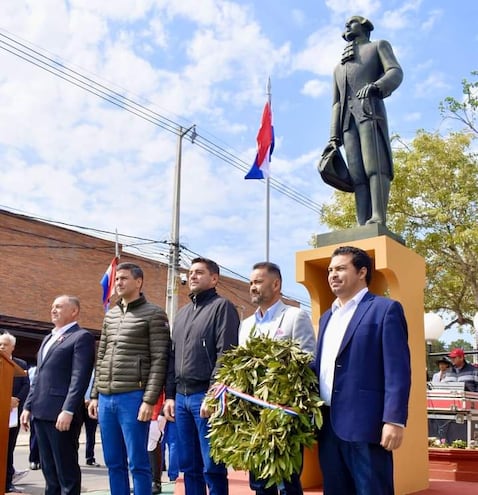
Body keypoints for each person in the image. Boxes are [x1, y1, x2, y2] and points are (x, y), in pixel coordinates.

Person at [313, 246, 411, 495]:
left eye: (341, 268)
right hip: (327, 424)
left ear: (362, 272)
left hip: (366, 425)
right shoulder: (327, 317)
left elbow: (398, 370)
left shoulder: (385, 309)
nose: (333, 275)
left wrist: (394, 420)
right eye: (330, 270)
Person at [88, 262, 171, 495]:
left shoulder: (154, 314)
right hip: (106, 398)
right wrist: (94, 394)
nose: (118, 283)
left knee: (138, 463)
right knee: (114, 462)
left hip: (133, 397)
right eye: (116, 279)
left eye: (124, 278)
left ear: (138, 282)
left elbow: (159, 359)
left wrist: (149, 400)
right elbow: (101, 356)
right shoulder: (111, 316)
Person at [163, 257, 240, 495]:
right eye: (191, 272)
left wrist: (213, 394)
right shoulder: (183, 313)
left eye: (199, 272)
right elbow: (172, 357)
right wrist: (170, 396)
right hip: (182, 400)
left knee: (212, 466)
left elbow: (225, 353)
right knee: (189, 466)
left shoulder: (222, 307)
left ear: (214, 278)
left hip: (204, 398)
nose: (192, 276)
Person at [239, 261, 316, 495]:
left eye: (258, 282)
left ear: (276, 284)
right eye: (251, 282)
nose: (253, 287)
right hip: (253, 416)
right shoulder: (246, 324)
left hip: (284, 413)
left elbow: (309, 359)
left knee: (287, 480)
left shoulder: (295, 316)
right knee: (259, 482)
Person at [327, 16, 403, 226]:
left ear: (364, 25)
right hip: (347, 123)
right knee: (357, 173)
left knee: (375, 166)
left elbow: (395, 72)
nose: (347, 26)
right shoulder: (338, 68)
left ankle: (378, 215)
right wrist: (333, 135)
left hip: (370, 113)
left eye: (352, 22)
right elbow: (336, 103)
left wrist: (377, 86)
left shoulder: (378, 46)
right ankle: (362, 221)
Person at [20, 295, 96, 495]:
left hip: (61, 414)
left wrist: (68, 409)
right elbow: (39, 377)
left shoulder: (81, 337)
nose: (54, 310)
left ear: (74, 311)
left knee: (66, 472)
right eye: (53, 306)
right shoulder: (48, 337)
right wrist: (28, 406)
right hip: (40, 411)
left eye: (59, 307)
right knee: (49, 472)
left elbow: (79, 377)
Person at [1, 331, 30, 494]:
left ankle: (7, 482)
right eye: (0, 344)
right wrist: (4, 399)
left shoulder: (21, 364)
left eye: (5, 345)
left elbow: (27, 385)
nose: (1, 347)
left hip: (13, 412)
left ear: (12, 347)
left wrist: (16, 400)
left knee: (9, 448)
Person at [79, 372, 100, 467]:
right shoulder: (79, 371)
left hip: (92, 405)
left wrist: (93, 400)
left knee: (91, 434)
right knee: (75, 434)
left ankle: (90, 458)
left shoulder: (97, 372)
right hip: (79, 405)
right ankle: (73, 459)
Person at [26, 366, 41, 471]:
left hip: (47, 407)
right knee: (35, 435)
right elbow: (29, 387)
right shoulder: (33, 371)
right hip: (35, 405)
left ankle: (42, 460)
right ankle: (33, 460)